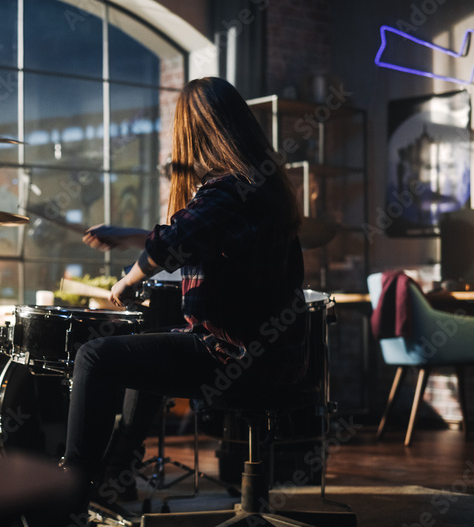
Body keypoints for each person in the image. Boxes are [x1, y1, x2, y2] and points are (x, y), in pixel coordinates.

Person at [59, 77, 309, 522]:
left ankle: (70, 496)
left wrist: (126, 281)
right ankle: (116, 473)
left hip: (234, 359)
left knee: (95, 357)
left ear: (197, 133)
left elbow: (171, 246)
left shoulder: (227, 189)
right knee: (146, 348)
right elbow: (199, 236)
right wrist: (134, 236)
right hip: (279, 361)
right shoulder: (263, 188)